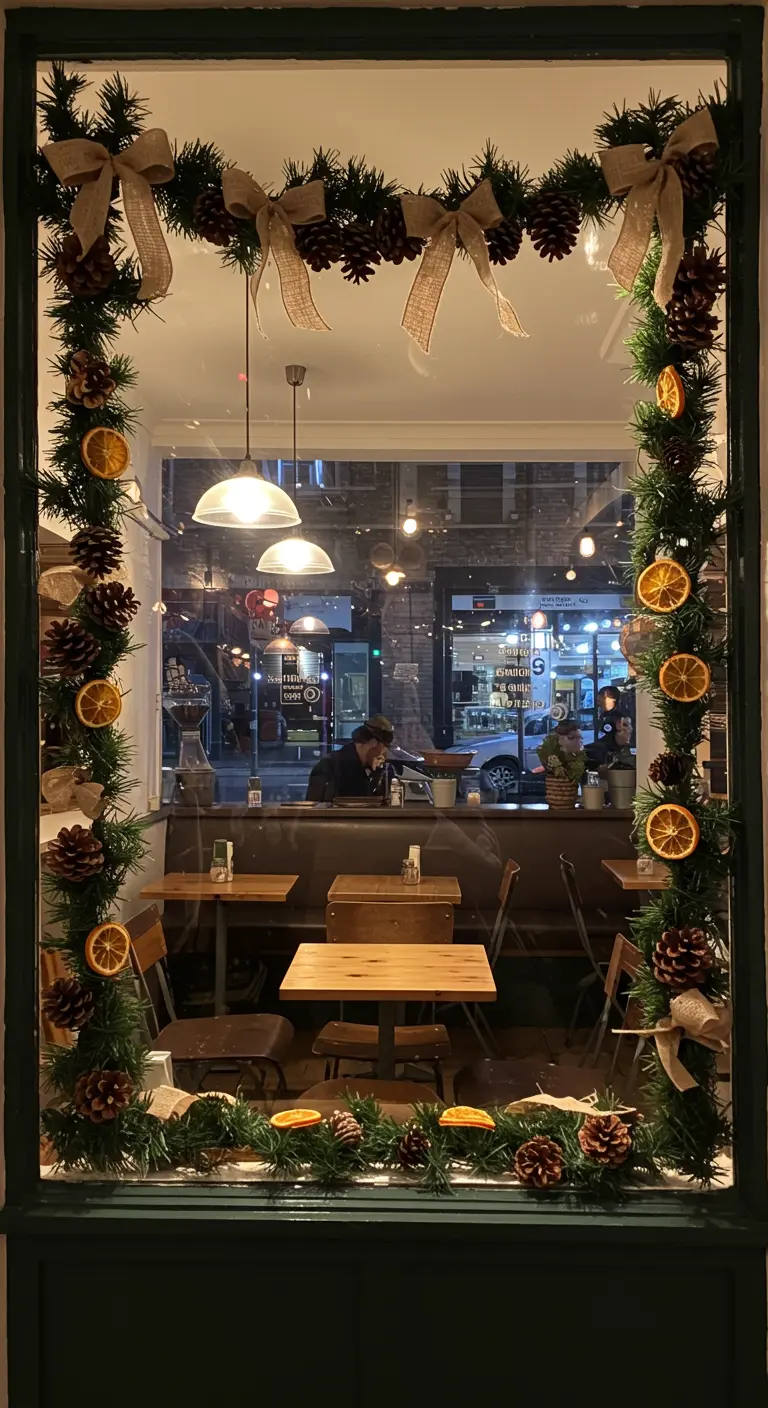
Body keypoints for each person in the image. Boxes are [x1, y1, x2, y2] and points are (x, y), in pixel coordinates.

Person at [306, 715, 394, 802]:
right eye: (381, 751)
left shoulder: (372, 770)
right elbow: (315, 807)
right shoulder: (330, 766)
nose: (382, 756)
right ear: (373, 743)